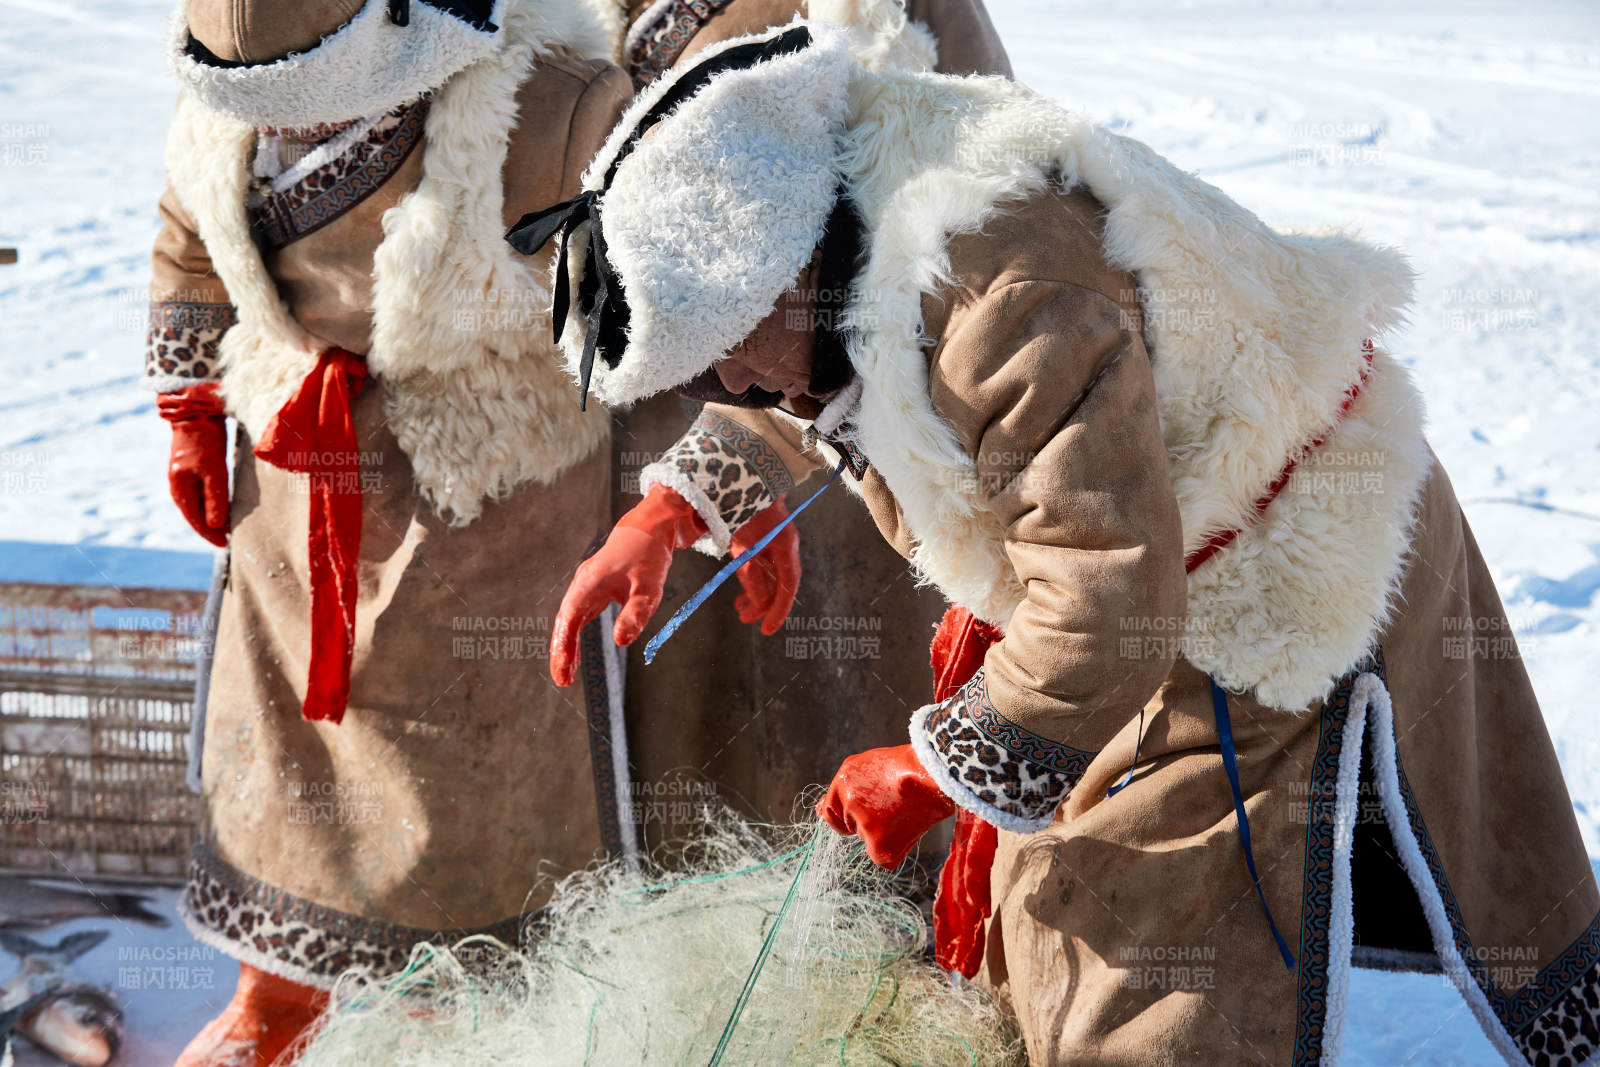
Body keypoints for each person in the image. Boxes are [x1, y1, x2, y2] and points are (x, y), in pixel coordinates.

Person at [526, 23, 1600, 1065]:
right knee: (1045, 927)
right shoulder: (832, 220)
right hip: (1143, 556)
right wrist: (676, 507)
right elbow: (816, 364)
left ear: (772, 269)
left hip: (1263, 559)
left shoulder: (1010, 301)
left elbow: (1106, 599)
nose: (730, 391)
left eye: (715, 364)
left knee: (1131, 983)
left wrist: (934, 764)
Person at [145, 0, 639, 1061]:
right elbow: (189, 233)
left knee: (461, 787)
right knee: (280, 750)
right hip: (296, 479)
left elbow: (660, 314)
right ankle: (276, 995)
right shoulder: (229, 82)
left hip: (489, 504)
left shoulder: (558, 109)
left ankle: (452, 1013)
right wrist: (191, 403)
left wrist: (685, 493)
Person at [552, 0, 1012, 856]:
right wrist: (681, 505)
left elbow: (923, 296)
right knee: (707, 736)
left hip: (870, 434)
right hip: (725, 411)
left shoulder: (1018, 319)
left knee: (862, 713)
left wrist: (938, 765)